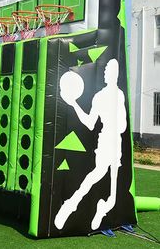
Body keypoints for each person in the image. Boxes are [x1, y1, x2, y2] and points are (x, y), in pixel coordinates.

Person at [54, 59, 127, 230]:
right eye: (106, 69)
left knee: (113, 194)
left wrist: (116, 121)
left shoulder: (119, 95)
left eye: (109, 69)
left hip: (116, 141)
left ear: (115, 73)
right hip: (107, 140)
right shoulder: (99, 96)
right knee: (97, 173)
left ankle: (102, 207)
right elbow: (90, 123)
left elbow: (122, 126)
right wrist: (74, 104)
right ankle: (70, 205)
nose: (105, 72)